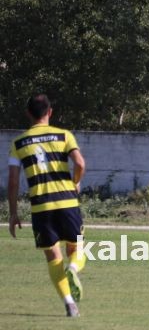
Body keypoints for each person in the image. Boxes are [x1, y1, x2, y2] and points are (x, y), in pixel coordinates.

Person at [7, 94, 86, 317]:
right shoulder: (64, 135)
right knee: (77, 247)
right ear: (50, 112)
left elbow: (13, 181)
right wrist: (75, 182)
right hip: (67, 202)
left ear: (28, 114)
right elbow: (80, 163)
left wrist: (13, 213)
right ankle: (73, 268)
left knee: (53, 256)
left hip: (41, 207)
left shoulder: (18, 143)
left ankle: (70, 304)